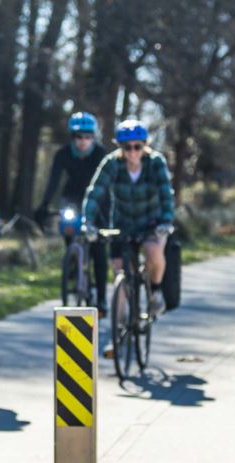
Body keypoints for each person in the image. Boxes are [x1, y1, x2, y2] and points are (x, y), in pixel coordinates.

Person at [81, 119, 176, 319]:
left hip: (151, 223)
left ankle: (155, 292)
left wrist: (166, 221)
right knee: (119, 273)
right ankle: (120, 331)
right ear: (120, 147)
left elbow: (166, 194)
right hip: (122, 225)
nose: (132, 152)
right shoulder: (112, 163)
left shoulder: (156, 163)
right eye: (127, 147)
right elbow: (95, 192)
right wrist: (87, 222)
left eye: (137, 147)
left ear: (145, 146)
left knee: (154, 250)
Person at [36, 112, 111, 309]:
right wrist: (44, 205)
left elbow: (108, 186)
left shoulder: (101, 154)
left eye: (88, 137)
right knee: (68, 228)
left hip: (98, 201)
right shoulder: (63, 154)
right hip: (73, 197)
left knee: (98, 249)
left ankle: (102, 297)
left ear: (93, 137)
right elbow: (53, 181)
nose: (83, 141)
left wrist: (108, 214)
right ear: (72, 137)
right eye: (79, 136)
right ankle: (73, 259)